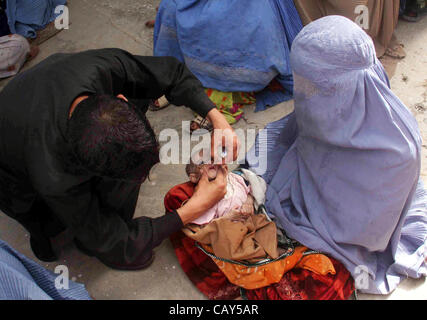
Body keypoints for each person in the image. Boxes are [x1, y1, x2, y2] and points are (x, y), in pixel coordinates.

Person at [0, 48, 238, 270]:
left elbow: (172, 73)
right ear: (86, 170)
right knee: (63, 233)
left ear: (122, 100)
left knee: (121, 188)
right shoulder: (53, 175)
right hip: (11, 177)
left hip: (40, 95)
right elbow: (113, 242)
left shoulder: (104, 68)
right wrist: (193, 209)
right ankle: (45, 233)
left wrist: (217, 119)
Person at [247, 16, 426, 294]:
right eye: (301, 83)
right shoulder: (332, 108)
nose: (304, 94)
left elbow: (364, 234)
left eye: (314, 85)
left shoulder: (396, 157)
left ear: (346, 86)